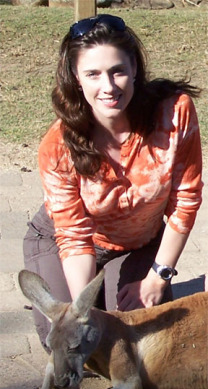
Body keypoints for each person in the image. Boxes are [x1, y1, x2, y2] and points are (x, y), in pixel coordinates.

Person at [23, 14, 203, 352]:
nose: (108, 87)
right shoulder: (58, 146)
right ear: (76, 78)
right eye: (92, 74)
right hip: (67, 240)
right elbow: (73, 236)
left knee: (139, 339)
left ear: (134, 67)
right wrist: (81, 311)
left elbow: (186, 199)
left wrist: (157, 276)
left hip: (138, 242)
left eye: (117, 71)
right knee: (75, 344)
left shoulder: (174, 113)